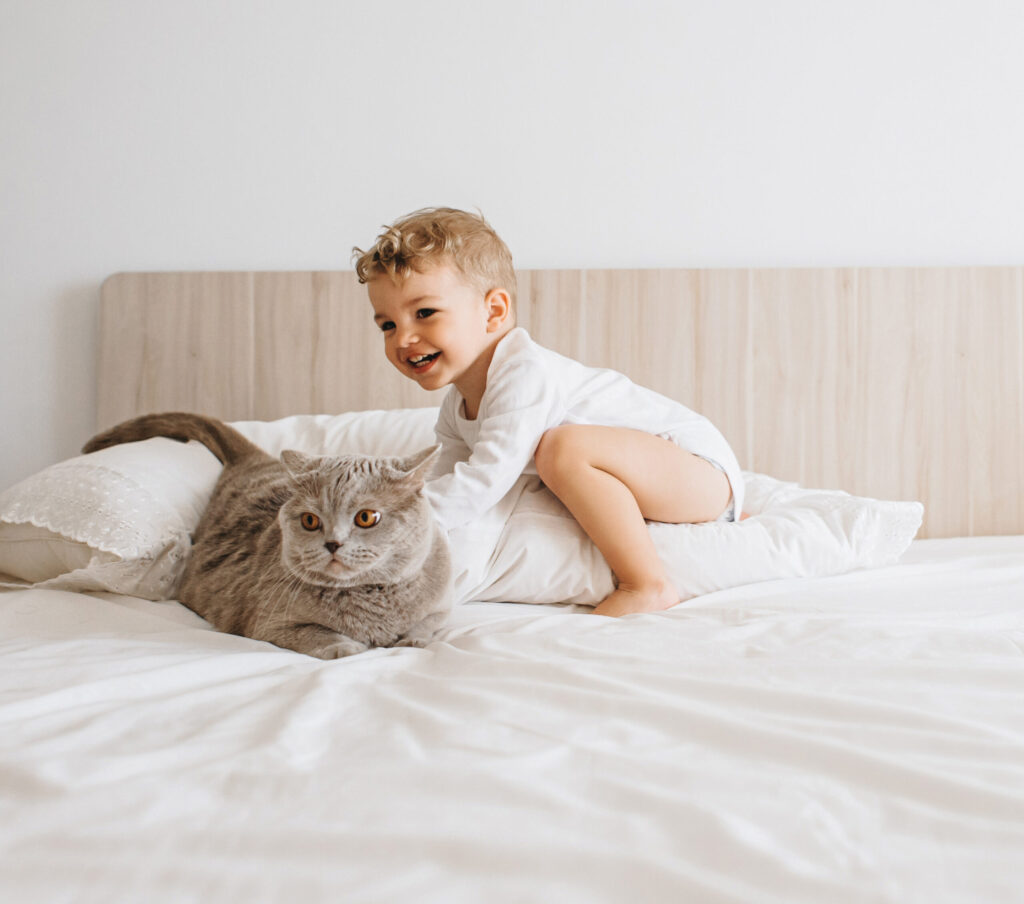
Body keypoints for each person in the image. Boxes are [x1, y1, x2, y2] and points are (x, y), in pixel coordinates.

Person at [353, 207, 744, 617]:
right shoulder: (457, 405)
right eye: (387, 325)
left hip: (700, 469)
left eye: (424, 313)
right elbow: (451, 476)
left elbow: (486, 479)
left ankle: (646, 584)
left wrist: (392, 523)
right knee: (558, 455)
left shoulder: (523, 375)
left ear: (494, 312)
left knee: (562, 449)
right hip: (668, 479)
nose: (404, 338)